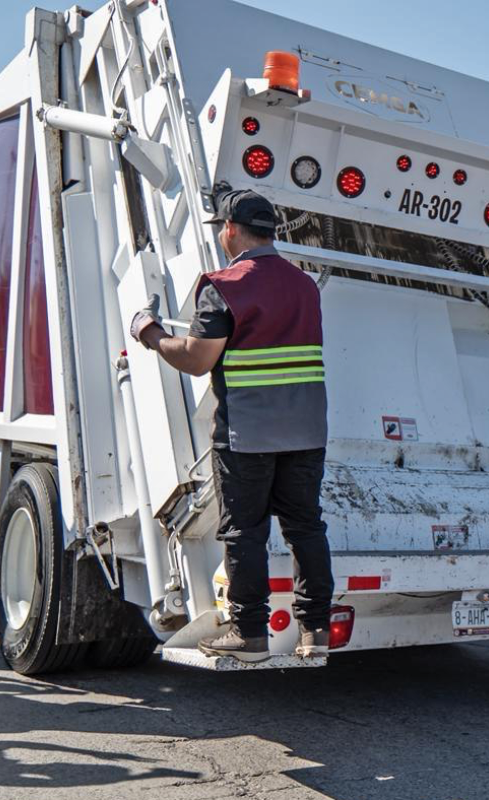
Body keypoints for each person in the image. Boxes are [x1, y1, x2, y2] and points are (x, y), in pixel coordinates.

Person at [129, 189, 333, 662]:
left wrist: (150, 334)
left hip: (248, 434)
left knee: (245, 532)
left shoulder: (224, 286)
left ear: (231, 230)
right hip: (306, 432)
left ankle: (250, 635)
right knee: (306, 528)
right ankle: (315, 632)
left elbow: (197, 359)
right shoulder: (305, 285)